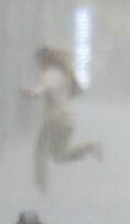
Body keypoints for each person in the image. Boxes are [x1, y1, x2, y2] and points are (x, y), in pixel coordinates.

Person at [21, 47, 102, 194]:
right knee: (58, 155)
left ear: (44, 60)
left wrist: (30, 92)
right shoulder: (63, 74)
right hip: (67, 119)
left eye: (38, 61)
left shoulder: (51, 74)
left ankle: (42, 187)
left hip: (55, 119)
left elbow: (43, 88)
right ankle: (89, 148)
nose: (37, 65)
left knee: (40, 150)